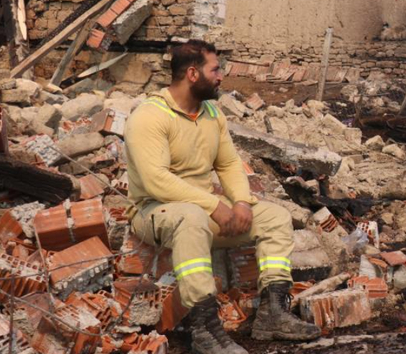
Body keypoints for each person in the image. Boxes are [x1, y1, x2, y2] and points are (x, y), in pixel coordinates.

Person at [124, 40, 320, 354]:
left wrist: (241, 202)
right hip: (153, 211)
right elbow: (156, 181)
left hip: (200, 211)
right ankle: (204, 329)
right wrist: (215, 205)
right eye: (215, 69)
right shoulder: (150, 116)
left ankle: (273, 314)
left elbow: (228, 163)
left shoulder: (212, 113)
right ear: (192, 73)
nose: (221, 76)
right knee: (192, 217)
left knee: (275, 217)